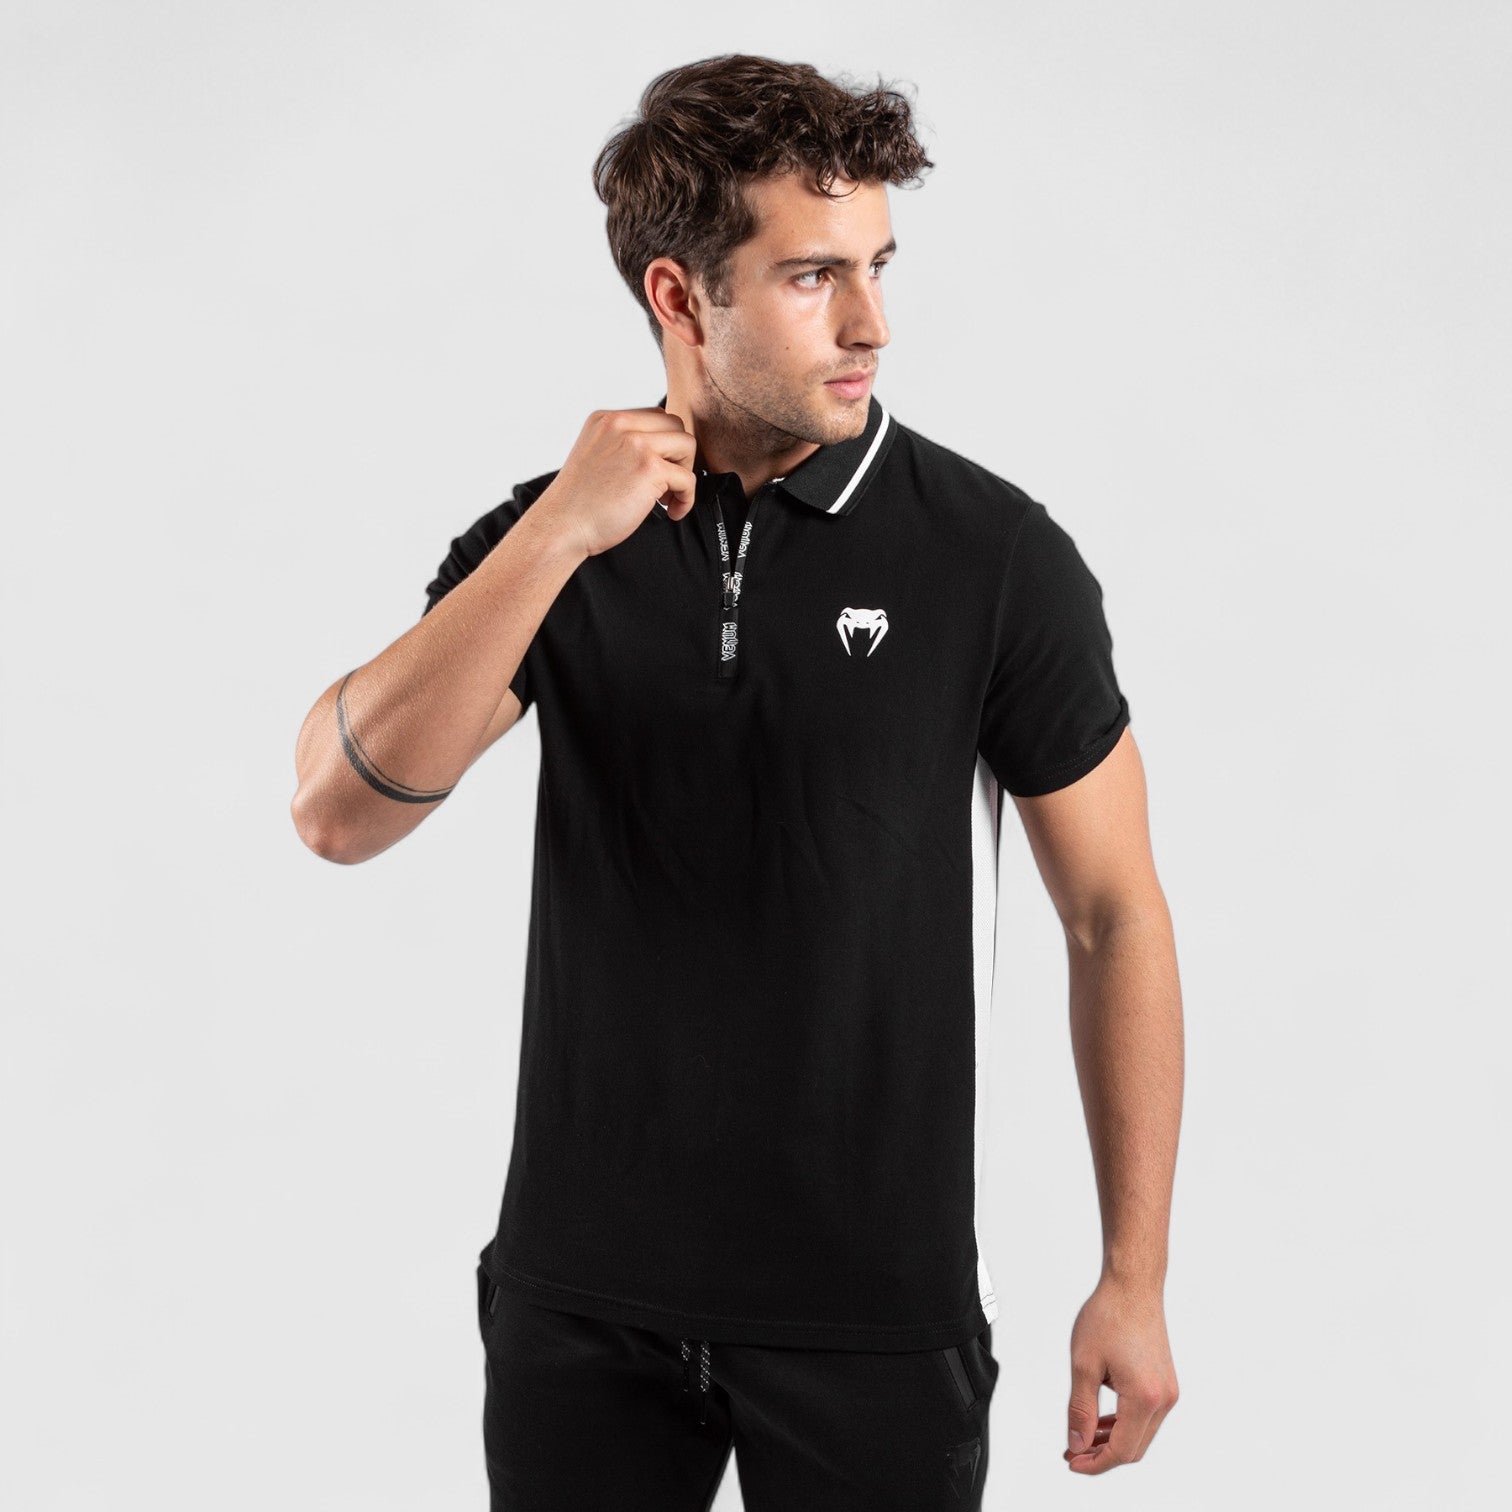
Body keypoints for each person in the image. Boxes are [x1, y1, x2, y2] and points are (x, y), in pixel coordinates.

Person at [291, 51, 1182, 1512]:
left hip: (871, 1315)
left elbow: (1114, 916)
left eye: (878, 266)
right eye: (814, 276)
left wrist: (1132, 1275)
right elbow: (338, 811)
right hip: (581, 1302)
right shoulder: (552, 547)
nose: (871, 322)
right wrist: (558, 534)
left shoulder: (991, 556)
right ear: (679, 295)